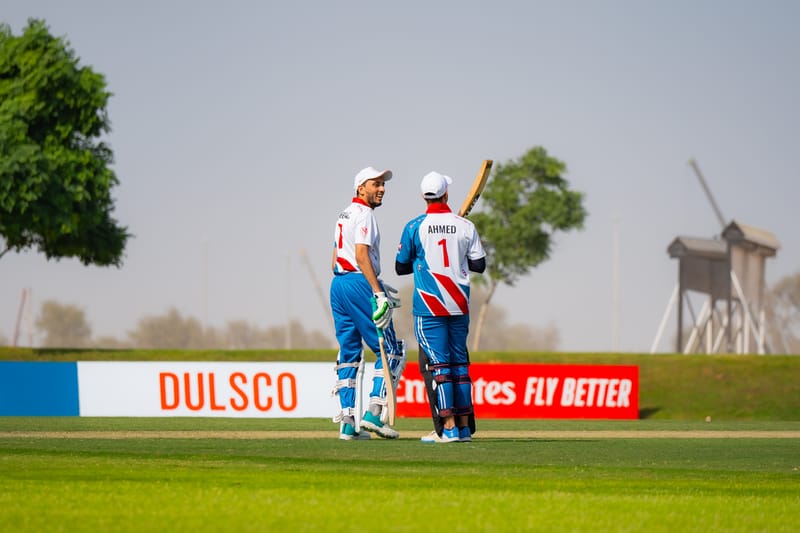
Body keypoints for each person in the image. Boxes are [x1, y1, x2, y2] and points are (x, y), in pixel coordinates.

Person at [395, 171, 486, 443]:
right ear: (446, 194)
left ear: (424, 197)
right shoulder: (465, 226)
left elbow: (400, 267)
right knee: (460, 366)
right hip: (458, 304)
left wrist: (423, 257)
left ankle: (447, 429)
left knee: (440, 367)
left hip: (428, 305)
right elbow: (479, 265)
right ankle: (462, 428)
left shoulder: (414, 227)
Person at [330, 166, 406, 441]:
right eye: (376, 184)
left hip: (338, 284)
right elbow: (362, 256)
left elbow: (336, 258)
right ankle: (375, 413)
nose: (382, 188)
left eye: (382, 184)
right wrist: (377, 292)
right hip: (359, 282)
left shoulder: (343, 214)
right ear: (361, 188)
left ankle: (347, 424)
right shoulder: (365, 215)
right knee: (391, 350)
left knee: (348, 353)